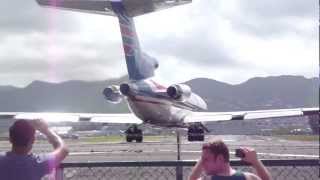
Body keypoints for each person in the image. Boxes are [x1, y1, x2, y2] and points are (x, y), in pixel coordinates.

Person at [0, 119, 69, 180]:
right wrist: (46, 130)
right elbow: (63, 149)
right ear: (33, 140)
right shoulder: (39, 162)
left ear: (10, 139)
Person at [189, 139, 272, 180]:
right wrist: (256, 161)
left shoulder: (207, 179)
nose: (203, 164)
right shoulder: (248, 177)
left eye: (206, 160)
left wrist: (201, 159)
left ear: (220, 158)